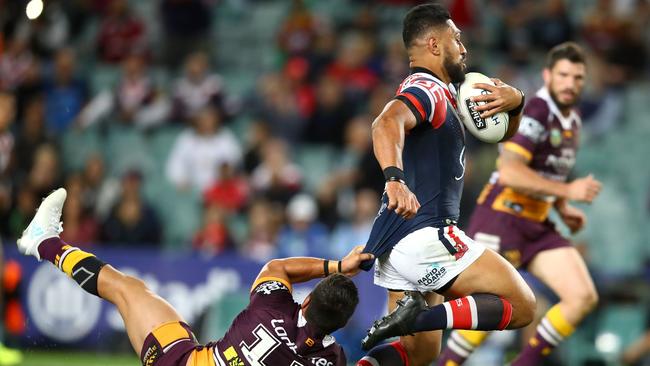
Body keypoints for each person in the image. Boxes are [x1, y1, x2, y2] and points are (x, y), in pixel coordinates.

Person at [356, 4, 537, 366]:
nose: (464, 48)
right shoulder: (427, 90)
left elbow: (503, 133)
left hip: (397, 238)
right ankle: (415, 316)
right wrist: (394, 178)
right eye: (457, 39)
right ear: (435, 45)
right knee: (522, 306)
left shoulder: (446, 94)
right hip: (426, 233)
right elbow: (385, 122)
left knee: (418, 354)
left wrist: (515, 104)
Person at [17, 188, 373, 366]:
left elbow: (277, 268)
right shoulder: (334, 360)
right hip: (187, 351)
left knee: (124, 288)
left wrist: (338, 266)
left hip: (183, 362)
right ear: (343, 325)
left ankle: (44, 241)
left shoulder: (274, 306)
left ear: (307, 299)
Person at [437, 42, 602, 366]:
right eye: (563, 75)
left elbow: (543, 171)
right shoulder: (538, 111)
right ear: (547, 76)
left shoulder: (572, 121)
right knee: (490, 309)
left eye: (578, 77)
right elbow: (511, 173)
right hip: (502, 219)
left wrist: (562, 208)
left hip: (536, 223)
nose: (570, 83)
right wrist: (568, 191)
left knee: (582, 296)